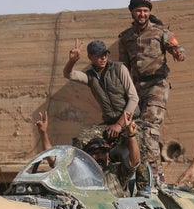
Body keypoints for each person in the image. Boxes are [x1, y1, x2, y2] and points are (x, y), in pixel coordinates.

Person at [63, 38, 150, 194]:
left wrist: (120, 124)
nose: (103, 58)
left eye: (105, 54)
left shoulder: (119, 69)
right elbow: (69, 74)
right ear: (90, 57)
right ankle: (77, 181)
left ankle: (144, 187)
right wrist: (72, 61)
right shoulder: (90, 76)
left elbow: (134, 98)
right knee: (81, 140)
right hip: (109, 123)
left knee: (138, 142)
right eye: (98, 55)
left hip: (130, 120)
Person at [118, 0, 186, 187]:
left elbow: (177, 48)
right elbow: (123, 66)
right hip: (136, 87)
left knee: (149, 128)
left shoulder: (160, 32)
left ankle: (156, 174)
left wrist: (178, 54)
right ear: (132, 12)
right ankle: (140, 173)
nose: (142, 14)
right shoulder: (126, 37)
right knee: (133, 130)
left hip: (157, 84)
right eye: (139, 10)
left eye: (146, 11)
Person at [35, 110, 141, 198]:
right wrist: (43, 133)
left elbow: (134, 162)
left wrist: (131, 136)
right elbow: (53, 159)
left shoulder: (115, 173)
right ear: (87, 158)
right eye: (95, 153)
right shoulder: (77, 175)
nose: (100, 157)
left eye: (103, 153)